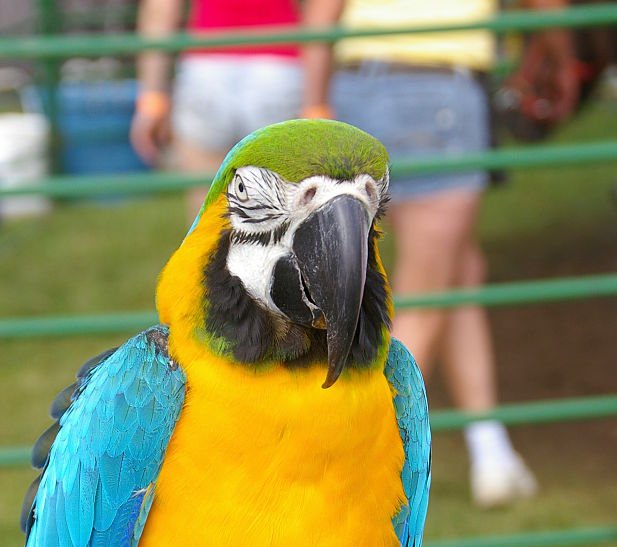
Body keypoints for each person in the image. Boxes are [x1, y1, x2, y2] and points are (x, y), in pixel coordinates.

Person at [301, 0, 576, 507]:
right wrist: (563, 58)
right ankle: (343, 469)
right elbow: (548, 9)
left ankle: (489, 449)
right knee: (426, 294)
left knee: (460, 270)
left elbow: (321, 13)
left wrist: (315, 104)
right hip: (441, 93)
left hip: (358, 89)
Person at [130, 0, 306, 221]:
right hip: (278, 66)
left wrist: (151, 101)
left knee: (207, 218)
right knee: (278, 221)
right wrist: (317, 100)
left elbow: (162, 9)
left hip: (208, 67)